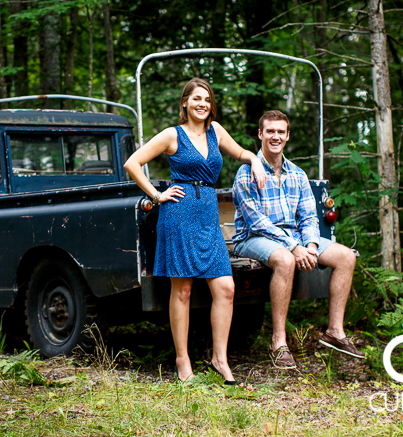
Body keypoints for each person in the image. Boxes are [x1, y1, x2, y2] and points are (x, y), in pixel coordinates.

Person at [123, 78, 267, 383]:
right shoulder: (171, 135)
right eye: (197, 99)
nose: (203, 104)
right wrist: (157, 195)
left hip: (207, 216)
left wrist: (254, 159)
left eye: (208, 99)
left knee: (226, 288)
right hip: (179, 214)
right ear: (185, 103)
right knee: (184, 290)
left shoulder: (216, 132)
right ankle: (182, 359)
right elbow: (133, 163)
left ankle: (219, 359)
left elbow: (241, 153)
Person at [231, 110, 364, 369]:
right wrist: (294, 247)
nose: (275, 136)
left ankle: (334, 332)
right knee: (285, 260)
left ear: (287, 136)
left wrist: (311, 246)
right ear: (260, 134)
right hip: (252, 237)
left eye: (281, 132)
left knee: (346, 256)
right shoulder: (246, 173)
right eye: (270, 131)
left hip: (294, 238)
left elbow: (308, 217)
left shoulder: (298, 174)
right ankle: (278, 342)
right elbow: (256, 221)